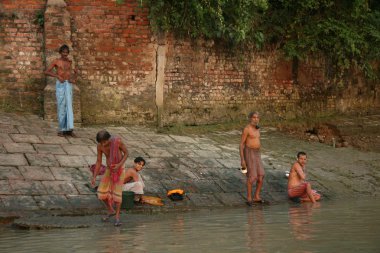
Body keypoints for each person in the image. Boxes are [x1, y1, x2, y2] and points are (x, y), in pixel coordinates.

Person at [91, 130, 129, 226]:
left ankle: (117, 217)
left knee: (117, 194)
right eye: (101, 142)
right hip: (109, 169)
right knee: (101, 192)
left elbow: (126, 153)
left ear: (109, 139)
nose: (103, 144)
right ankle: (111, 210)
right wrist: (94, 176)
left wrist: (119, 165)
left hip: (119, 169)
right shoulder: (100, 146)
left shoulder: (117, 142)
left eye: (105, 142)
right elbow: (99, 161)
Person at [44, 44, 77, 137]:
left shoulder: (70, 62)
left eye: (66, 53)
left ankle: (69, 129)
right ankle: (62, 129)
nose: (65, 54)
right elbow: (46, 72)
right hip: (60, 85)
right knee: (61, 105)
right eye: (63, 52)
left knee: (69, 107)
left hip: (68, 84)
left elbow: (71, 75)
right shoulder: (56, 61)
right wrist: (57, 76)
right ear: (60, 53)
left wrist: (74, 76)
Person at [240, 112, 265, 205]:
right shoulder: (247, 129)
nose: (256, 119)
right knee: (252, 176)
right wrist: (242, 160)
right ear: (250, 118)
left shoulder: (258, 128)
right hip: (249, 153)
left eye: (257, 117)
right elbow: (241, 144)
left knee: (261, 175)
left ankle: (256, 196)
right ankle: (249, 198)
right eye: (254, 117)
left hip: (257, 153)